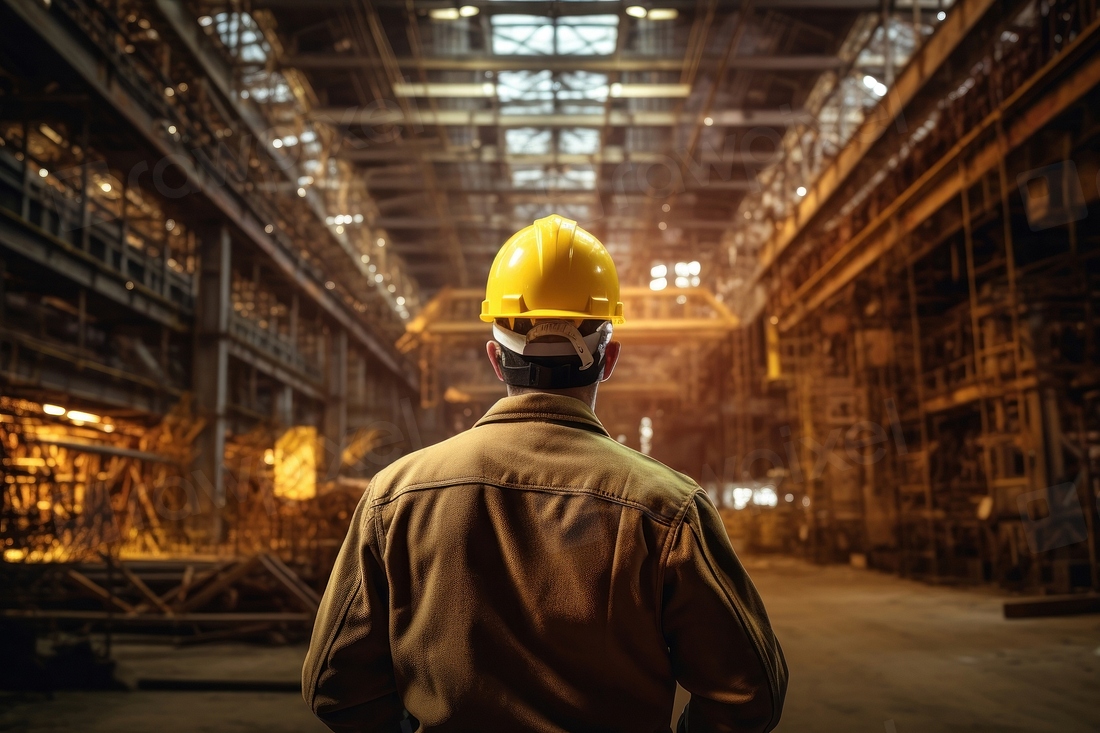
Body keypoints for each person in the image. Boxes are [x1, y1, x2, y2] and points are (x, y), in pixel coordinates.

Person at [302, 214, 787, 733]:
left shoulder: (395, 497)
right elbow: (748, 690)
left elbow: (334, 682)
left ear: (495, 358)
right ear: (609, 360)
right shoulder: (667, 509)